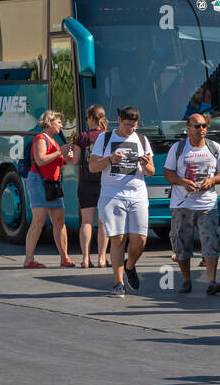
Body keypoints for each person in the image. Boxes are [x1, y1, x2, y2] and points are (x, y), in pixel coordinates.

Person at [89, 106, 156, 298]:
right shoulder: (105, 138)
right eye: (127, 125)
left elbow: (151, 171)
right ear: (119, 120)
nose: (130, 130)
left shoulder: (142, 140)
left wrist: (145, 164)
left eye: (134, 126)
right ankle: (118, 284)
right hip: (112, 194)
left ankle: (130, 265)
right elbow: (93, 167)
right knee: (118, 239)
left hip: (137, 194)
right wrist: (109, 159)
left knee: (140, 241)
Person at [164, 112, 220, 295]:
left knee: (210, 242)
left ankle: (211, 282)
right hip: (182, 205)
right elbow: (167, 173)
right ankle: (186, 280)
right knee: (182, 243)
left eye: (204, 126)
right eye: (197, 126)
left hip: (207, 205)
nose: (201, 129)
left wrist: (212, 180)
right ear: (188, 129)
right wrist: (182, 181)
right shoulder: (178, 148)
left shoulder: (214, 148)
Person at [23, 110, 76, 269]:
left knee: (59, 220)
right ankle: (29, 259)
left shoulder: (53, 139)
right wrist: (60, 152)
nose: (61, 125)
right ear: (49, 122)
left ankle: (64, 258)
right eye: (58, 122)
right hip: (39, 181)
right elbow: (40, 161)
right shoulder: (40, 138)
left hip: (52, 183)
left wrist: (66, 160)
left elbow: (54, 163)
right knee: (38, 221)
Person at [75, 105, 109, 267]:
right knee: (103, 222)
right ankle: (102, 258)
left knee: (87, 222)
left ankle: (85, 259)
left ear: (90, 118)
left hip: (86, 183)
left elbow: (76, 161)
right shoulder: (108, 137)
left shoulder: (82, 137)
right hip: (105, 183)